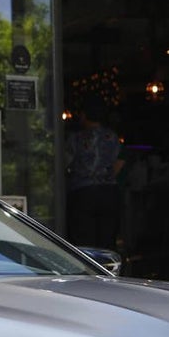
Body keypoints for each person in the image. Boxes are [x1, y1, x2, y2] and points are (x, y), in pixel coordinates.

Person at [65, 99, 124, 248]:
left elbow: (65, 162)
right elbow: (121, 160)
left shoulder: (76, 138)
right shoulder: (112, 136)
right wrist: (108, 176)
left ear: (84, 115)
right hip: (108, 191)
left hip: (82, 192)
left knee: (83, 241)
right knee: (107, 240)